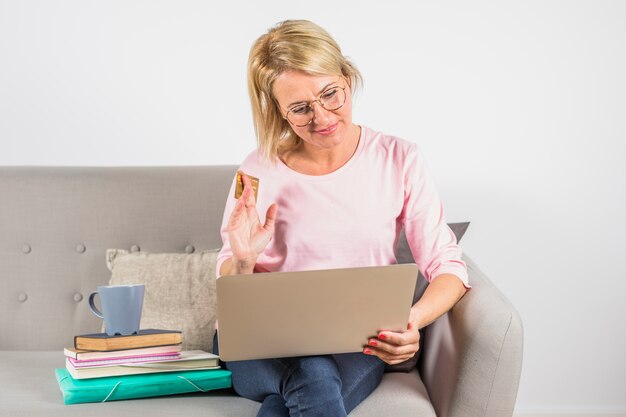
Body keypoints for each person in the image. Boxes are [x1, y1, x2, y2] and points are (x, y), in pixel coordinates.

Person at [214, 19, 470, 417]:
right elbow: (229, 284)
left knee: (292, 400)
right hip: (258, 345)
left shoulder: (399, 158)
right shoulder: (256, 169)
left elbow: (448, 266)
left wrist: (412, 320)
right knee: (312, 373)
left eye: (330, 94)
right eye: (300, 108)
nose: (322, 117)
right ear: (279, 112)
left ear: (347, 77)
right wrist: (243, 261)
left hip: (358, 342)